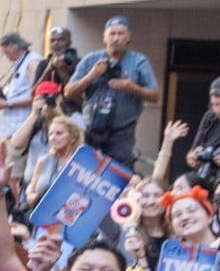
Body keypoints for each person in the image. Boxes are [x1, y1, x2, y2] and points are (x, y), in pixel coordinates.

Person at [64, 16, 159, 167]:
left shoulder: (138, 61)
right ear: (104, 37)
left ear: (128, 37)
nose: (116, 38)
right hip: (92, 130)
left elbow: (155, 95)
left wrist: (132, 88)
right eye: (112, 34)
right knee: (89, 170)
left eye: (120, 34)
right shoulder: (91, 60)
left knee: (118, 174)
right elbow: (68, 92)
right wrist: (92, 75)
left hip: (123, 132)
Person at [0, 32, 44, 143]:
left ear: (12, 47)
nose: (5, 54)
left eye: (5, 50)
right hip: (13, 129)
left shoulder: (32, 62)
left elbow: (37, 96)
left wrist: (7, 103)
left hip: (24, 127)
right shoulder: (20, 63)